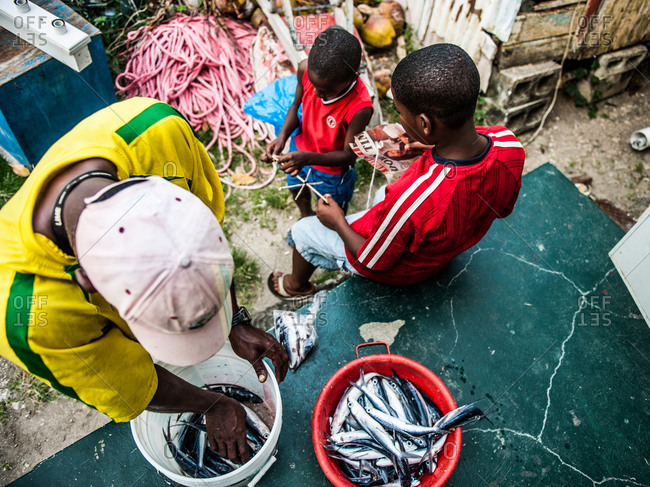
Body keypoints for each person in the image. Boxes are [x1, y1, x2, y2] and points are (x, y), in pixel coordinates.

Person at [0, 97, 288, 465]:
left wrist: (235, 319)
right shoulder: (28, 317)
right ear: (88, 282)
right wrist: (213, 405)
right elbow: (128, 386)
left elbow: (205, 236)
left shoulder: (159, 130)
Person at [269, 43, 526, 297]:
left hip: (404, 270)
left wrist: (336, 220)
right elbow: (503, 210)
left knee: (302, 231)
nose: (398, 121)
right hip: (445, 248)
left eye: (401, 113)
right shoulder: (509, 144)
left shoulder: (411, 200)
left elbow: (373, 260)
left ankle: (294, 286)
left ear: (425, 124)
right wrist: (428, 145)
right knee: (382, 194)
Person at [261, 26, 374, 218]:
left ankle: (327, 234)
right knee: (296, 187)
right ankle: (305, 217)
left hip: (332, 171)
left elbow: (348, 155)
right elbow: (296, 105)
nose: (316, 93)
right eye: (313, 85)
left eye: (326, 91)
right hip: (300, 149)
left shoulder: (359, 107)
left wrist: (307, 158)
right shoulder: (305, 69)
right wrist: (282, 137)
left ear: (352, 78)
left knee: (333, 209)